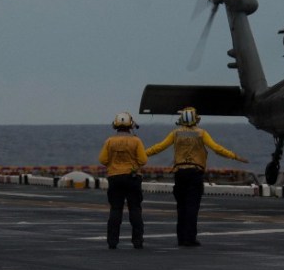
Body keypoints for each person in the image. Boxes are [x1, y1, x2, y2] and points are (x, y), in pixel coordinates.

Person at [145, 107, 250, 247]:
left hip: (180, 173)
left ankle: (181, 238)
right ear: (196, 119)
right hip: (195, 174)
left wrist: (142, 154)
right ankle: (190, 238)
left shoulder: (175, 133)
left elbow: (158, 147)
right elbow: (217, 148)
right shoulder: (202, 133)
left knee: (181, 207)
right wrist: (234, 156)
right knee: (192, 207)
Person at [98, 112, 147, 250]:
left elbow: (102, 160)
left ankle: (112, 242)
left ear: (115, 125)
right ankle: (137, 241)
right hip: (132, 178)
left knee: (115, 209)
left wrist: (114, 164)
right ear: (130, 125)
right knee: (135, 209)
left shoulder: (109, 141)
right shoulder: (136, 141)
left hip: (114, 177)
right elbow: (143, 160)